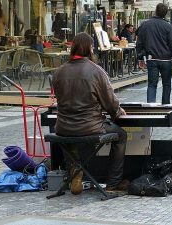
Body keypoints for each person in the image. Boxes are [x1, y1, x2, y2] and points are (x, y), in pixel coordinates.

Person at [53, 32, 127, 194]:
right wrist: (117, 112)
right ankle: (113, 182)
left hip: (63, 126)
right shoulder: (97, 71)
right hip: (90, 126)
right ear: (90, 48)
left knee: (71, 139)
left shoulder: (59, 72)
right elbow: (110, 103)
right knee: (121, 135)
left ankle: (76, 173)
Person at [136, 3, 172, 104]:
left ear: (156, 10)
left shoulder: (146, 24)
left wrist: (140, 57)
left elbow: (139, 42)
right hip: (166, 59)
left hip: (152, 59)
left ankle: (151, 107)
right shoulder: (168, 26)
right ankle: (166, 106)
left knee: (152, 84)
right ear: (165, 13)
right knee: (167, 84)